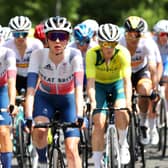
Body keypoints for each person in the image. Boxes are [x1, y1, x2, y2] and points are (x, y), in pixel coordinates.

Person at [24, 16, 86, 168]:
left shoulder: (75, 56)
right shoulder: (37, 55)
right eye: (53, 36)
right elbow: (31, 90)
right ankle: (43, 162)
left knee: (71, 149)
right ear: (46, 39)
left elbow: (79, 89)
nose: (57, 41)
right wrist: (28, 117)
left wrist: (80, 115)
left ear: (68, 39)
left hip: (68, 101)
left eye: (62, 36)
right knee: (39, 131)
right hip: (45, 99)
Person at [86, 23, 132, 167]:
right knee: (99, 122)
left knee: (121, 110)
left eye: (113, 43)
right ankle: (98, 161)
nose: (110, 47)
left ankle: (123, 143)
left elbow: (127, 81)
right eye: (106, 43)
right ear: (100, 43)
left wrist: (128, 103)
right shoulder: (92, 54)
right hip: (99, 85)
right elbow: (91, 82)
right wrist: (93, 101)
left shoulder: (123, 53)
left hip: (116, 83)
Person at [120, 16, 159, 145]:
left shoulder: (147, 43)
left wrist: (155, 89)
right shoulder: (120, 43)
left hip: (141, 72)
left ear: (141, 35)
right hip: (124, 73)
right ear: (125, 33)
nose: (133, 38)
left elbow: (153, 68)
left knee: (144, 91)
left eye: (136, 35)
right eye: (130, 34)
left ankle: (143, 123)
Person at [3, 15, 43, 95]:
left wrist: (35, 91)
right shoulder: (6, 46)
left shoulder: (36, 45)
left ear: (28, 33)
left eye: (24, 34)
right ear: (12, 34)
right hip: (15, 77)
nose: (20, 37)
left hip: (32, 76)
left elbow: (41, 70)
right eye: (17, 34)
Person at [0, 46, 17, 168]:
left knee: (3, 131)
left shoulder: (7, 53)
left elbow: (11, 81)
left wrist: (11, 103)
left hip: (2, 89)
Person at [68, 22, 98, 88]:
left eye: (87, 42)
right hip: (75, 74)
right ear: (75, 40)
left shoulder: (95, 48)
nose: (84, 46)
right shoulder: (70, 48)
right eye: (81, 43)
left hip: (91, 74)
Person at [153, 19, 168, 109]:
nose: (165, 37)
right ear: (157, 34)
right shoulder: (152, 42)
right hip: (155, 63)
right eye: (163, 34)